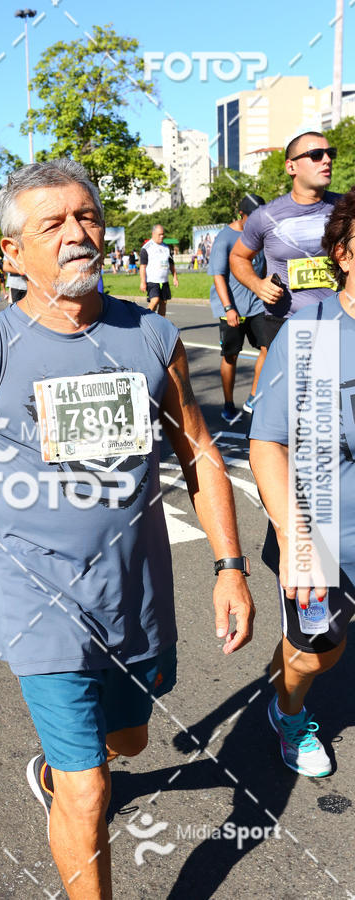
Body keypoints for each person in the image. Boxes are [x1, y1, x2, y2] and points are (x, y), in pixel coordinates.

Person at [0, 159, 255, 900]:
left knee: (128, 742)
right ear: (11, 254)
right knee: (89, 790)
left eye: (86, 217)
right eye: (52, 224)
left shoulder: (153, 336)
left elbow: (196, 451)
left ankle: (64, 766)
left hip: (137, 596)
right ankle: (72, 788)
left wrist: (229, 566)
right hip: (38, 600)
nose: (77, 234)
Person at [249, 186, 355, 778]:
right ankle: (288, 713)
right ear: (342, 252)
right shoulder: (311, 329)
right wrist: (296, 541)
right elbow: (268, 441)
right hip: (323, 532)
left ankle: (285, 662)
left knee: (309, 649)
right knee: (318, 657)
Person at [230, 132, 340, 349]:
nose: (327, 159)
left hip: (340, 320)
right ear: (291, 167)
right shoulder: (265, 216)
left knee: (335, 383)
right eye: (316, 155)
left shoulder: (347, 208)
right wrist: (257, 284)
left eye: (330, 153)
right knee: (295, 384)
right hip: (287, 323)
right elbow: (237, 256)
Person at [208, 195, 268, 422]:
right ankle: (228, 403)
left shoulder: (261, 234)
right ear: (241, 215)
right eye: (253, 218)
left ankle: (253, 397)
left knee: (268, 347)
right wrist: (228, 308)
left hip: (258, 304)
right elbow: (218, 276)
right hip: (233, 308)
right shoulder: (225, 238)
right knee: (231, 355)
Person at [140, 224, 179, 316]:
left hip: (164, 280)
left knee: (163, 302)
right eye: (159, 234)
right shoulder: (146, 248)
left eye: (163, 234)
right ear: (153, 234)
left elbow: (171, 263)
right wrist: (142, 282)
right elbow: (142, 266)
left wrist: (175, 277)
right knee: (155, 300)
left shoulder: (166, 247)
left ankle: (161, 323)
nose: (162, 236)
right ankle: (146, 319)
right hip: (152, 280)